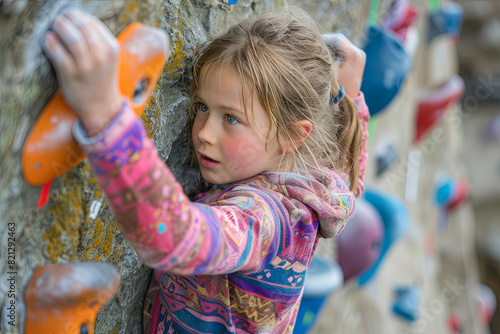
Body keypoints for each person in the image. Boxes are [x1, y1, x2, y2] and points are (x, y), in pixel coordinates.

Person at [43, 6, 369, 334]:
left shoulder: (262, 218)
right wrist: (351, 99)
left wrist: (107, 119)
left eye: (231, 118)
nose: (203, 133)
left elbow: (176, 237)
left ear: (295, 135)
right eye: (202, 107)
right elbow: (349, 177)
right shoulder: (319, 186)